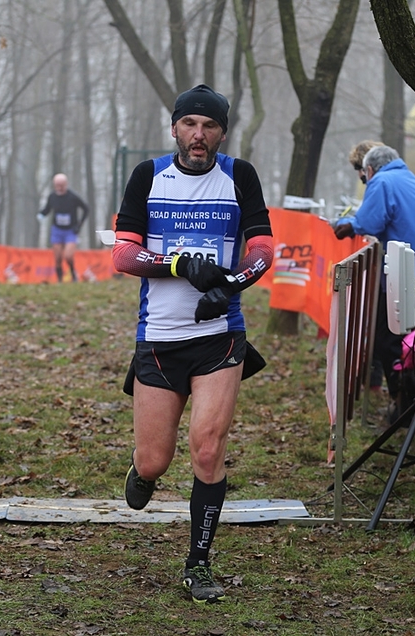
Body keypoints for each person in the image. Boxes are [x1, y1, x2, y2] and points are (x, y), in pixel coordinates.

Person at [111, 84, 273, 604]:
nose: (198, 136)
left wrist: (230, 285)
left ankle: (198, 562)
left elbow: (265, 251)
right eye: (190, 125)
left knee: (207, 449)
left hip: (220, 336)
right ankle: (142, 471)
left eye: (209, 126)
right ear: (175, 127)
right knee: (156, 460)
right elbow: (124, 256)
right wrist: (180, 264)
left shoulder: (239, 176)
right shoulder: (148, 176)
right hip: (159, 337)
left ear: (222, 132)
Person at [333, 144, 415, 418]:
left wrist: (345, 224)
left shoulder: (382, 180)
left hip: (403, 271)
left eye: (363, 175)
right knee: (410, 338)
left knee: (390, 340)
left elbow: (370, 222)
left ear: (369, 170)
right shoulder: (408, 177)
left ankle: (403, 404)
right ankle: (406, 400)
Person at [38, 173, 90, 282]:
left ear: (66, 184)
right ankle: (60, 280)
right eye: (57, 185)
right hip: (57, 230)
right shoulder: (52, 197)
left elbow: (86, 209)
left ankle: (73, 275)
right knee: (57, 258)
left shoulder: (73, 197)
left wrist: (79, 225)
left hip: (70, 230)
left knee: (68, 256)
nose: (59, 188)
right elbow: (47, 209)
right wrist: (41, 214)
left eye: (61, 185)